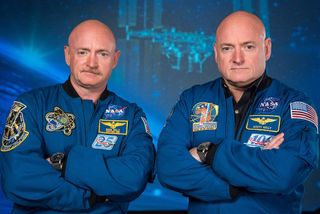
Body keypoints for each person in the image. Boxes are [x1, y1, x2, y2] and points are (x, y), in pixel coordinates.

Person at [157, 11, 319, 213]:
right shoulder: (192, 99)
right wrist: (249, 175)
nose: (237, 58)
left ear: (266, 49)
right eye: (227, 48)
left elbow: (285, 175)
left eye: (248, 47)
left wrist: (209, 152)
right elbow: (167, 167)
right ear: (216, 53)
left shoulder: (294, 103)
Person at [0, 20, 155, 213]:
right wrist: (90, 197)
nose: (92, 63)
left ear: (115, 59)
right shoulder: (32, 105)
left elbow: (134, 177)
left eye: (102, 53)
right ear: (67, 54)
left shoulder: (131, 115)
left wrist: (64, 164)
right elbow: (18, 178)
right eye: (83, 52)